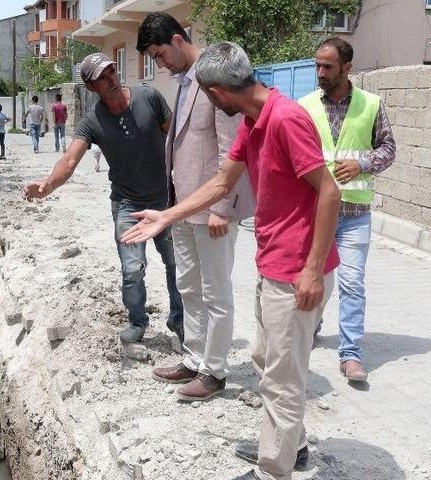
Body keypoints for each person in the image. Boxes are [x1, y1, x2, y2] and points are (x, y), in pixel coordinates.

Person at [121, 42, 341, 480]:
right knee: (264, 358)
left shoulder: (285, 119)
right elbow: (222, 182)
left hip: (297, 270)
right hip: (273, 262)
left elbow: (330, 191)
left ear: (218, 92)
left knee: (282, 378)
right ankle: (291, 445)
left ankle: (271, 471)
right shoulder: (253, 120)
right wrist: (167, 215)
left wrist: (313, 269)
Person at [23, 52, 184, 344]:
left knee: (175, 263)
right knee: (132, 269)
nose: (110, 78)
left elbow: (174, 137)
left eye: (111, 71)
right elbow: (69, 161)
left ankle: (179, 319)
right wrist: (46, 185)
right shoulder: (92, 121)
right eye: (102, 76)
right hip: (127, 204)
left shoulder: (149, 97)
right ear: (91, 87)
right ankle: (137, 321)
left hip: (164, 200)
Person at [136, 12, 255, 402]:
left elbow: (231, 149)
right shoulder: (186, 82)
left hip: (212, 210)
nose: (160, 64)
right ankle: (194, 356)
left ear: (177, 39)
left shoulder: (216, 79)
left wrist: (224, 207)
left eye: (159, 55)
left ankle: (215, 371)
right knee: (188, 284)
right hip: (184, 206)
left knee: (215, 290)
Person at [298, 38, 396, 383]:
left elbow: (388, 147)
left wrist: (362, 163)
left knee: (352, 283)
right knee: (317, 281)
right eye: (317, 66)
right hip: (315, 211)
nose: (320, 73)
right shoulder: (305, 105)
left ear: (347, 67)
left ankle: (350, 355)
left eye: (327, 66)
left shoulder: (371, 104)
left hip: (354, 214)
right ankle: (311, 326)